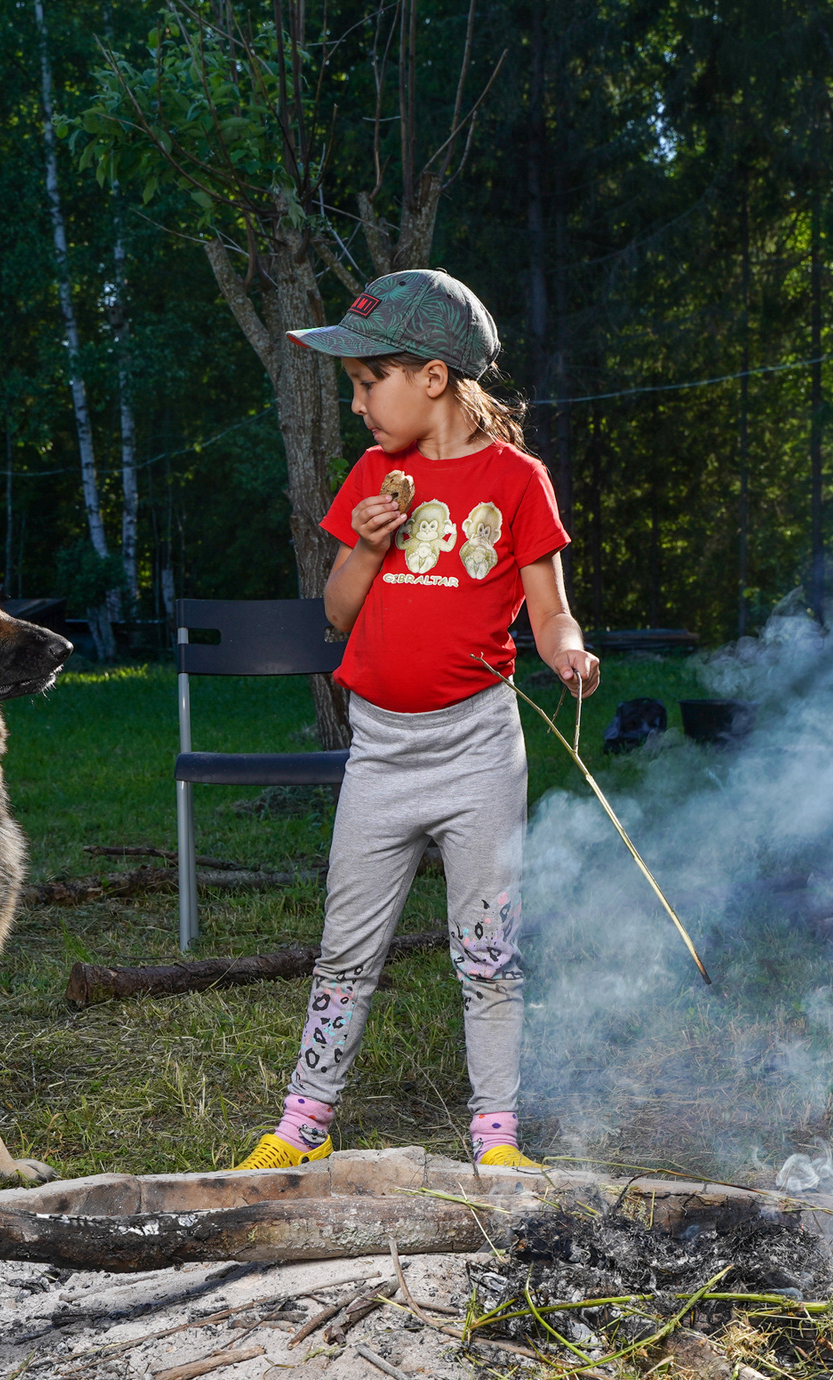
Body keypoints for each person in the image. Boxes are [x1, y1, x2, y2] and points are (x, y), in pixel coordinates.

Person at [238, 269, 599, 1173]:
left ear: (432, 377)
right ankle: (304, 1123)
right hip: (382, 753)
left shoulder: (518, 481)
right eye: (355, 387)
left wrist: (566, 648)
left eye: (368, 382)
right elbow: (337, 614)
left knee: (487, 950)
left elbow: (549, 609)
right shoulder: (374, 477)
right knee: (346, 948)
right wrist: (365, 543)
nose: (358, 404)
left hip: (478, 751)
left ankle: (497, 1137)